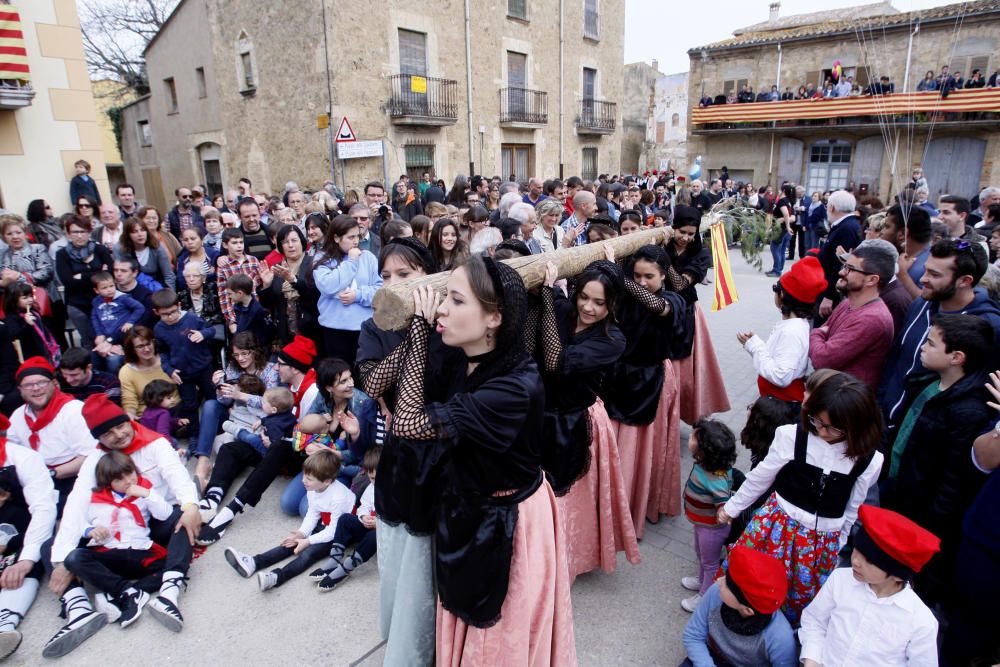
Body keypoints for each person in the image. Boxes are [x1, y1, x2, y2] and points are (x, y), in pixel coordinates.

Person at [389, 256, 577, 664]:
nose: (440, 309)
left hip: (506, 523)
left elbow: (406, 423)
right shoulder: (470, 356)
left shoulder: (512, 388)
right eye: (444, 298)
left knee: (496, 635)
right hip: (471, 506)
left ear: (493, 318)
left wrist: (420, 330)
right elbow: (381, 385)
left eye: (455, 301)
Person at [717, 372, 884, 625]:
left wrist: (838, 542)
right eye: (817, 420)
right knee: (746, 581)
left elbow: (854, 507)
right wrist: (732, 508)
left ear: (857, 425)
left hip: (820, 543)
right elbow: (760, 477)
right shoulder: (791, 436)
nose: (822, 430)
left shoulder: (870, 460)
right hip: (775, 526)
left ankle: (773, 643)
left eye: (832, 427)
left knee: (797, 598)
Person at [44, 394, 200, 656]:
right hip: (113, 530)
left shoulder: (155, 443)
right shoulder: (96, 458)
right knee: (53, 545)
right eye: (107, 433)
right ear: (99, 439)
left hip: (156, 521)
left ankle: (168, 593)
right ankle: (78, 607)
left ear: (128, 420)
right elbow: (77, 503)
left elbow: (178, 478)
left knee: (180, 518)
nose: (117, 435)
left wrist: (191, 505)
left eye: (120, 426)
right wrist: (62, 561)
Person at [354, 239, 444, 665]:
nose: (393, 284)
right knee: (406, 551)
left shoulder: (452, 318)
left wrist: (431, 325)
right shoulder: (376, 326)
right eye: (386, 277)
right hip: (401, 452)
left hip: (445, 449)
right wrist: (416, 333)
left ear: (428, 275)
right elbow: (372, 385)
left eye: (405, 275)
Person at [535, 260, 638, 579]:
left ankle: (561, 562)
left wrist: (549, 297)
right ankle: (535, 556)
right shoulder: (566, 310)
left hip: (572, 423)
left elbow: (555, 361)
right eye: (584, 298)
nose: (588, 308)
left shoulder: (613, 340)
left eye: (599, 302)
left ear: (612, 304)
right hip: (539, 414)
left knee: (565, 495)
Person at [882, 313, 993, 608]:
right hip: (899, 494)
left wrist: (926, 530)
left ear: (956, 357)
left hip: (922, 522)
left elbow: (953, 483)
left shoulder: (970, 411)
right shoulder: (930, 383)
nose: (922, 347)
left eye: (931, 343)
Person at [195, 336, 318, 545]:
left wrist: (271, 437)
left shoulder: (312, 392)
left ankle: (232, 509)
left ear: (295, 368)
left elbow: (306, 436)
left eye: (281, 365)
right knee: (231, 449)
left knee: (279, 448)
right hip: (275, 443)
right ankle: (212, 497)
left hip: (297, 452)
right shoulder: (289, 387)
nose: (276, 369)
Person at [602, 245, 688, 535]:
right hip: (618, 378)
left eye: (648, 276)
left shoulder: (673, 300)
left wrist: (620, 275)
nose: (641, 282)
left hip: (651, 383)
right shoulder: (625, 298)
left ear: (663, 274)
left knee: (640, 452)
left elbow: (655, 305)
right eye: (636, 275)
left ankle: (633, 510)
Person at [878, 239, 999, 430]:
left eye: (934, 274)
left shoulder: (990, 327)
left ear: (965, 281)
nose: (922, 279)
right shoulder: (921, 304)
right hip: (883, 422)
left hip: (922, 438)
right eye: (926, 270)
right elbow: (896, 358)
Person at [799, 505, 940, 667]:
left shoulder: (920, 622)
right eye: (856, 550)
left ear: (897, 575)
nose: (855, 561)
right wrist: (812, 660)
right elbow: (815, 621)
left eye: (870, 561)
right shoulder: (840, 580)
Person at [62, 450, 175, 628]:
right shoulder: (95, 499)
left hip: (140, 550)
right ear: (108, 483)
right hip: (111, 552)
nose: (128, 481)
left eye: (130, 473)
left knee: (174, 567)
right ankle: (126, 592)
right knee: (74, 558)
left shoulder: (144, 489)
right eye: (119, 479)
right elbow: (77, 522)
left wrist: (147, 494)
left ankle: (121, 594)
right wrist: (90, 530)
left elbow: (166, 514)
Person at [222, 448, 353, 591]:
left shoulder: (338, 497)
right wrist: (302, 533)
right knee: (291, 542)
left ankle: (277, 577)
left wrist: (307, 541)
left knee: (308, 553)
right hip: (326, 523)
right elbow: (313, 513)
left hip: (341, 532)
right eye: (304, 476)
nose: (303, 481)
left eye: (309, 479)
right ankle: (254, 562)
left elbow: (333, 532)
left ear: (327, 481)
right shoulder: (314, 489)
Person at [0, 412, 57, 661]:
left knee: (16, 572)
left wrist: (27, 556)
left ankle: (3, 627)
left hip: (21, 530)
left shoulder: (23, 458)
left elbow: (43, 508)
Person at [7, 357, 97, 510]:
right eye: (28, 385)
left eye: (42, 382)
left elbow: (90, 456)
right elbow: (10, 453)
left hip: (73, 479)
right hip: (34, 480)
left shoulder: (73, 410)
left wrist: (51, 473)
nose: (36, 388)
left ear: (54, 384)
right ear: (20, 390)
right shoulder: (18, 416)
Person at [682, 545, 796, 667]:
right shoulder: (716, 591)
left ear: (748, 610)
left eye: (727, 585)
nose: (719, 580)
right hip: (710, 656)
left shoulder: (780, 636)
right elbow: (693, 635)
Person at [189, 332, 278, 486]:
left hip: (258, 420)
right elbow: (224, 401)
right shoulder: (232, 368)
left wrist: (241, 395)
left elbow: (270, 404)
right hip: (234, 414)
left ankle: (217, 473)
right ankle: (203, 461)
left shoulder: (270, 370)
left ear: (255, 351)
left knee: (230, 445)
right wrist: (219, 388)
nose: (241, 358)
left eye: (245, 353)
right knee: (210, 404)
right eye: (236, 355)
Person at [739, 256, 826, 402]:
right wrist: (753, 343)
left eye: (776, 288)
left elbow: (781, 376)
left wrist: (756, 347)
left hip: (781, 404)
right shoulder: (796, 325)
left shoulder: (792, 331)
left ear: (782, 295)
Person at [809, 243, 895, 390]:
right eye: (844, 266)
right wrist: (821, 336)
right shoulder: (847, 302)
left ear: (872, 280)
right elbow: (823, 341)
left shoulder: (872, 319)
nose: (841, 272)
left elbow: (822, 359)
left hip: (843, 403)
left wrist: (816, 333)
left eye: (850, 269)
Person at [680, 418, 737, 612]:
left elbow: (723, 502)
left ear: (705, 450)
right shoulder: (705, 465)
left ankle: (704, 597)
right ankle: (701, 579)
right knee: (701, 554)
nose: (690, 437)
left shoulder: (716, 478)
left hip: (712, 529)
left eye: (693, 438)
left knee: (710, 561)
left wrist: (723, 512)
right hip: (702, 524)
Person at [309, 445, 382, 591]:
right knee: (345, 519)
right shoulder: (371, 488)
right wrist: (363, 516)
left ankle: (347, 566)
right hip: (368, 526)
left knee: (375, 536)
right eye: (372, 478)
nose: (375, 482)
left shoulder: (397, 492)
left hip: (384, 534)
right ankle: (335, 558)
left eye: (379, 478)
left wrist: (380, 523)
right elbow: (364, 505)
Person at [312, 214, 382, 364]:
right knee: (340, 376)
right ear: (337, 238)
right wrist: (351, 262)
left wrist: (358, 295)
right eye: (350, 237)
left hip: (364, 328)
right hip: (334, 329)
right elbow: (328, 286)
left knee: (362, 375)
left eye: (358, 236)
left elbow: (380, 288)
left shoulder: (368, 257)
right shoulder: (322, 258)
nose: (356, 241)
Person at [151, 289, 215, 435]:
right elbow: (162, 352)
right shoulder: (159, 329)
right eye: (165, 314)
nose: (171, 316)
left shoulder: (192, 319)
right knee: (189, 404)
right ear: (156, 312)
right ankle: (194, 434)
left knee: (212, 396)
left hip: (203, 367)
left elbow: (211, 329)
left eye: (174, 311)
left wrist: (202, 334)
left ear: (179, 305)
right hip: (182, 374)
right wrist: (169, 370)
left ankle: (217, 427)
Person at [54, 216, 114, 348]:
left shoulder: (100, 250)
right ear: (68, 234)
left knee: (109, 338)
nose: (80, 236)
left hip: (103, 301)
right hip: (78, 304)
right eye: (75, 232)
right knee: (89, 341)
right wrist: (98, 274)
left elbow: (110, 275)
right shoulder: (62, 254)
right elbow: (68, 281)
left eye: (83, 231)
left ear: (89, 232)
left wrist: (81, 276)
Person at [257, 224, 316, 346]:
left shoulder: (314, 263)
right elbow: (268, 304)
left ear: (302, 242)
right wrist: (266, 286)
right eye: (285, 242)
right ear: (280, 246)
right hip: (285, 331)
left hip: (311, 328)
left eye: (294, 240)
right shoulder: (278, 268)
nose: (290, 245)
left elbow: (315, 294)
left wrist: (294, 280)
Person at [817, 191, 863, 319]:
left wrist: (829, 296)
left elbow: (839, 266)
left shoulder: (846, 228)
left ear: (832, 207)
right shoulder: (844, 225)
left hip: (832, 292)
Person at [90, 271, 145, 374]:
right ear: (96, 290)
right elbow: (94, 317)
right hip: (105, 337)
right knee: (94, 355)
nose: (109, 290)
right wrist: (99, 333)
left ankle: (114, 382)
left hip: (122, 337)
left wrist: (130, 322)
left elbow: (140, 308)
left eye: (111, 286)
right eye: (104, 288)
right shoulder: (96, 301)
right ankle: (99, 379)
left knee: (113, 361)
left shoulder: (123, 298)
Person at [222, 387, 296, 458]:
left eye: (263, 403)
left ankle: (239, 432)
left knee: (252, 438)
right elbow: (275, 419)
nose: (261, 404)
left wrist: (269, 444)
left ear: (273, 410)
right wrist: (262, 421)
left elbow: (275, 444)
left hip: (269, 452)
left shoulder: (273, 425)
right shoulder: (287, 414)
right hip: (285, 443)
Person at [117, 327, 171, 420]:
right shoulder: (126, 371)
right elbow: (129, 401)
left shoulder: (167, 361)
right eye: (140, 346)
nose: (146, 349)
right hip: (149, 418)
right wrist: (130, 415)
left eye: (148, 344)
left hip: (175, 411)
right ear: (132, 350)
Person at [216, 228, 262, 336]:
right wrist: (231, 321)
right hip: (238, 314)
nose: (239, 246)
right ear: (225, 245)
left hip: (255, 310)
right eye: (234, 243)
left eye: (241, 242)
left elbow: (260, 287)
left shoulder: (253, 260)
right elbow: (223, 296)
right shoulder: (223, 267)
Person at [3, 283, 60, 365]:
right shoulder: (12, 318)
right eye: (25, 298)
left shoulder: (34, 311)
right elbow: (14, 335)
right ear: (14, 300)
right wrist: (27, 324)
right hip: (31, 355)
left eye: (31, 296)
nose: (30, 300)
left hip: (45, 348)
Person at [115, 217, 174, 289]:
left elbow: (169, 275)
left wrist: (170, 297)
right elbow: (120, 276)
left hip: (158, 288)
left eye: (142, 230)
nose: (140, 234)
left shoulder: (157, 247)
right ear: (128, 235)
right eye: (135, 232)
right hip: (134, 288)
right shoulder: (120, 249)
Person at [138, 379, 188, 455]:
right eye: (169, 398)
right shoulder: (164, 413)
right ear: (158, 399)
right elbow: (163, 433)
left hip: (146, 442)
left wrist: (176, 421)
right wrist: (175, 449)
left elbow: (157, 422)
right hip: (158, 443)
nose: (173, 399)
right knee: (175, 443)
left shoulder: (147, 410)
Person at [227, 274, 275, 348]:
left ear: (240, 293)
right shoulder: (237, 306)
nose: (229, 296)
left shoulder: (258, 310)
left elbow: (269, 330)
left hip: (256, 349)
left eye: (230, 293)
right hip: (243, 346)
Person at [174, 227, 218, 293]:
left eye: (193, 239)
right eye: (186, 240)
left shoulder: (214, 255)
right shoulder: (182, 259)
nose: (190, 242)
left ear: (202, 239)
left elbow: (218, 277)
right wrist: (207, 275)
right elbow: (181, 283)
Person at [767, 185, 796, 277]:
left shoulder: (782, 201)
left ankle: (777, 270)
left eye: (780, 189)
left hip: (781, 229)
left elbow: (786, 214)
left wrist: (786, 224)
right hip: (786, 229)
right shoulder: (789, 201)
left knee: (775, 248)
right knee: (782, 250)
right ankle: (778, 269)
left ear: (783, 191)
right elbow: (792, 217)